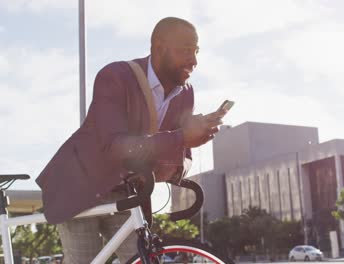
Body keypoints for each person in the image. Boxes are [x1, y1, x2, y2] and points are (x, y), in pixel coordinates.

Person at [36, 17, 225, 264]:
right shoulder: (115, 76)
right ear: (159, 47)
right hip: (81, 186)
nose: (194, 61)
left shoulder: (186, 92)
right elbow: (115, 146)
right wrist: (180, 137)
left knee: (144, 259)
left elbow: (182, 158)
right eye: (185, 51)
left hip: (127, 194)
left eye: (196, 51)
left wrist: (190, 143)